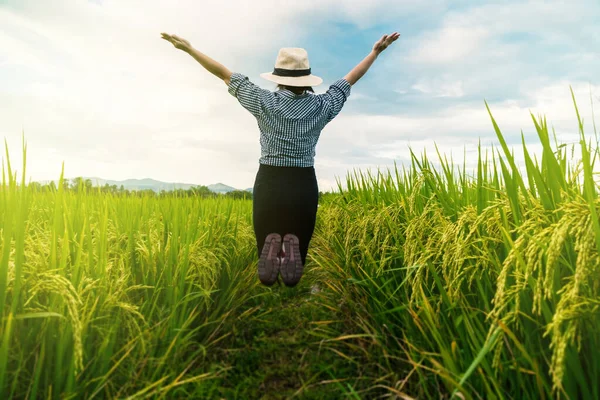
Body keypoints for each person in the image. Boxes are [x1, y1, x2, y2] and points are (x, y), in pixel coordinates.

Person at [161, 31, 401, 287]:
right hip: (303, 182)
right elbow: (349, 80)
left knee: (266, 233)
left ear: (278, 78)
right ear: (307, 79)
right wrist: (375, 52)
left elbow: (223, 73)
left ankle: (270, 248)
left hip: (270, 180)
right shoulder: (322, 106)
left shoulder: (263, 101)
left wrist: (189, 49)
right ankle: (293, 254)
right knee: (301, 234)